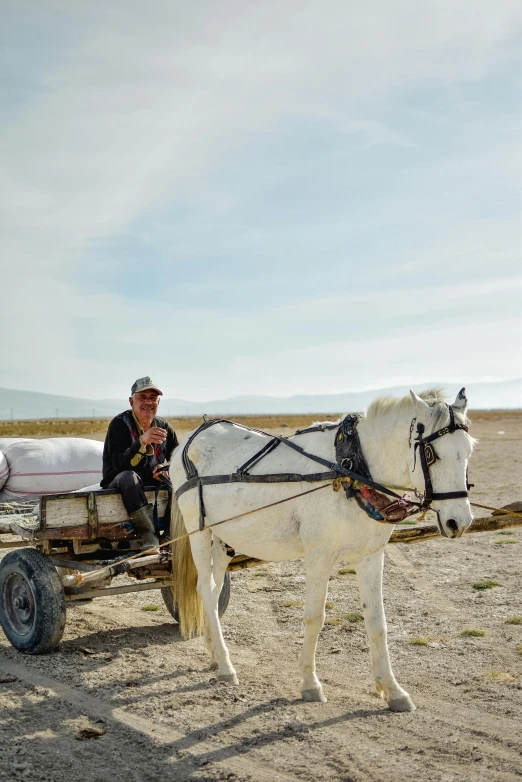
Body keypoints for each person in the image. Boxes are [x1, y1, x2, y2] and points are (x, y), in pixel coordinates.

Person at [101, 377, 178, 550]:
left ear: (158, 401)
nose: (148, 402)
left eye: (153, 398)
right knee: (129, 476)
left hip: (151, 482)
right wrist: (142, 442)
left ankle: (169, 534)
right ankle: (148, 535)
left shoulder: (164, 426)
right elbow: (118, 464)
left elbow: (178, 457)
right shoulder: (120, 424)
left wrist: (165, 468)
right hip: (121, 483)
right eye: (142, 397)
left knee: (178, 478)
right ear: (131, 401)